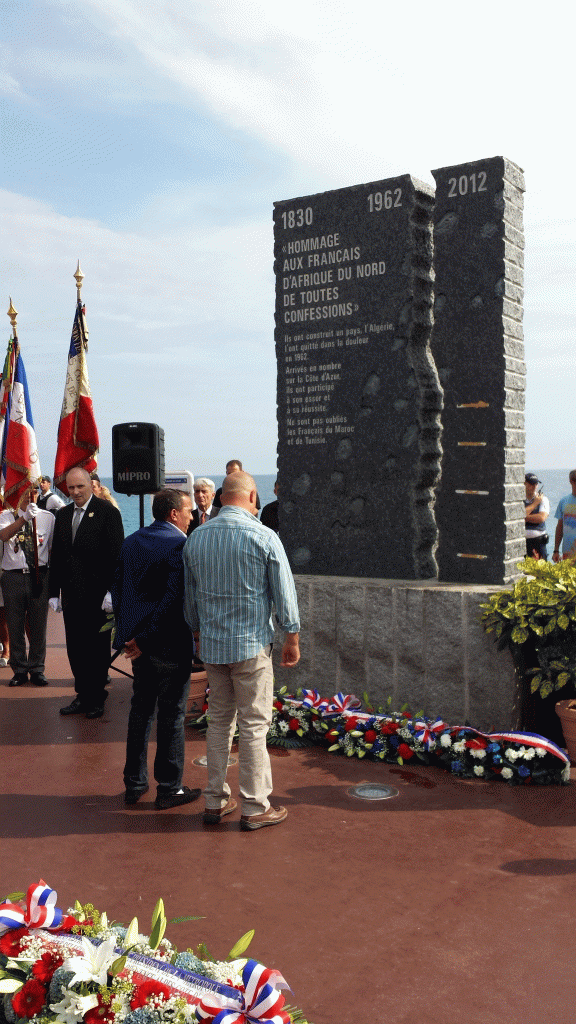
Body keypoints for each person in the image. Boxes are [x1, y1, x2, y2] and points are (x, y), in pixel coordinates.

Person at [183, 470, 300, 830]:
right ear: (251, 496)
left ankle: (216, 801)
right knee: (253, 726)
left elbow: (191, 600)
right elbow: (284, 593)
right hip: (250, 646)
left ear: (219, 498)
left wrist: (199, 633)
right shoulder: (264, 536)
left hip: (214, 648)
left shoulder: (196, 538)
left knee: (219, 722)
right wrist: (292, 635)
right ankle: (254, 806)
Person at [112, 488, 201, 809]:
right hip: (168, 644)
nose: (192, 516)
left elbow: (119, 592)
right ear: (174, 513)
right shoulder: (180, 545)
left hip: (138, 646)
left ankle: (134, 784)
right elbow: (172, 601)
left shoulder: (131, 541)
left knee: (140, 712)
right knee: (172, 715)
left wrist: (126, 638)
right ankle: (170, 787)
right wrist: (144, 637)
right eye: (188, 510)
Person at [49, 466, 124, 718]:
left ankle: (96, 697)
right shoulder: (63, 514)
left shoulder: (107, 513)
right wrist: (53, 591)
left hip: (97, 596)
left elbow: (116, 557)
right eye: (70, 488)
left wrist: (112, 592)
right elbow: (57, 556)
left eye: (80, 486)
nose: (75, 492)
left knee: (96, 649)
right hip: (71, 595)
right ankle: (82, 695)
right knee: (76, 647)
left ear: (91, 485)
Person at [0, 485, 55, 686]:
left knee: (38, 625)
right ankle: (20, 669)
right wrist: (23, 518)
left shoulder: (48, 517)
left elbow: (50, 550)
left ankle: (37, 669)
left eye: (33, 490)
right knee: (14, 626)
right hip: (13, 576)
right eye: (25, 490)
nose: (30, 494)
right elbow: (4, 536)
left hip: (38, 575)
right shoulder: (7, 515)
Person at [524, 473, 550, 559]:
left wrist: (523, 517)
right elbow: (517, 517)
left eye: (536, 484)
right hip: (522, 544)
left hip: (538, 544)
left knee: (539, 572)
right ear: (524, 484)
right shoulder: (518, 500)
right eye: (531, 484)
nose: (534, 486)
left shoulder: (543, 499)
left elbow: (541, 518)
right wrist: (535, 503)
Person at [553, 470, 576, 562]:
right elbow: (560, 527)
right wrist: (556, 550)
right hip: (568, 553)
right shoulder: (564, 501)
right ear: (571, 482)